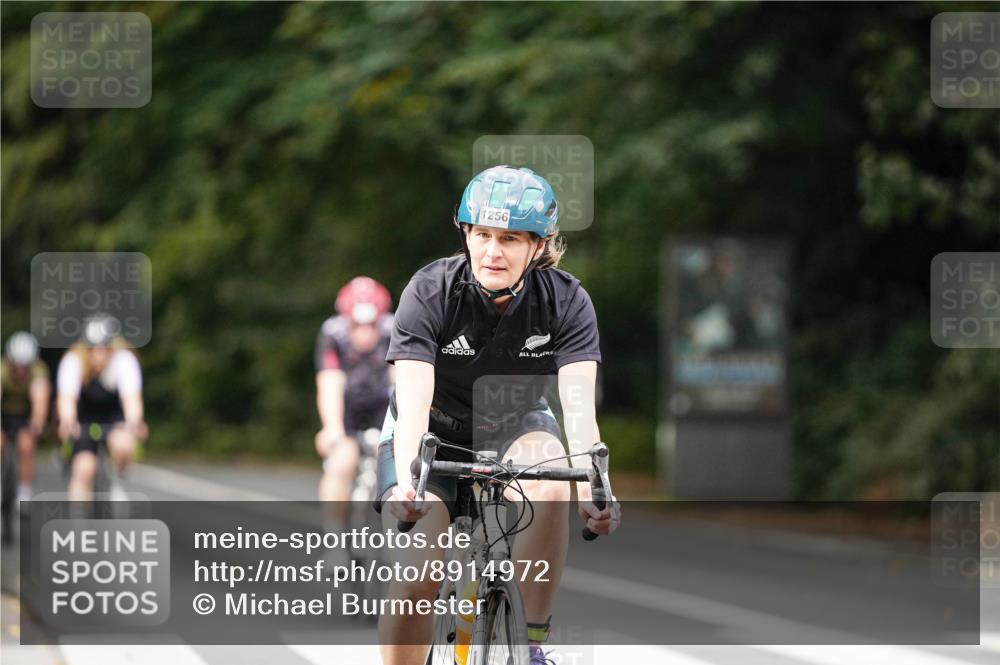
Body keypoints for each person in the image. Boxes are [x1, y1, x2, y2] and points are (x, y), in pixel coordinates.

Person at [376, 166, 620, 665]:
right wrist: (407, 484)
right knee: (416, 576)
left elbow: (578, 410)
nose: (492, 251)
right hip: (432, 435)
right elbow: (414, 398)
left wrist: (598, 490)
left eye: (509, 238)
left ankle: (530, 645)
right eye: (482, 234)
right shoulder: (430, 291)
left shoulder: (566, 301)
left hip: (516, 425)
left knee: (552, 482)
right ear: (465, 233)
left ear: (538, 245)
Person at [314, 277, 394, 532]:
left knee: (394, 461)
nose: (364, 332)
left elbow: (402, 381)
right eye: (357, 325)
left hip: (383, 404)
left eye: (370, 324)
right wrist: (332, 429)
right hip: (347, 406)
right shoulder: (333, 332)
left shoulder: (394, 329)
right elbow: (329, 383)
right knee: (341, 462)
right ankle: (334, 538)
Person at [56, 315, 147, 502]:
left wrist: (134, 422)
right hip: (83, 417)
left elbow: (131, 399)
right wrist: (67, 421)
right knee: (84, 468)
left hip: (113, 416)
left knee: (124, 443)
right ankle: (77, 524)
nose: (99, 354)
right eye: (92, 348)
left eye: (104, 348)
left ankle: (117, 480)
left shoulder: (124, 360)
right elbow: (67, 399)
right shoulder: (73, 361)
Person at [1, 331, 51, 506]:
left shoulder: (38, 370)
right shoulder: (3, 370)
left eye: (25, 365)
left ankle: (24, 489)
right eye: (17, 364)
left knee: (26, 444)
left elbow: (40, 401)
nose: (21, 369)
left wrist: (36, 425)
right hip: (4, 415)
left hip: (24, 416)